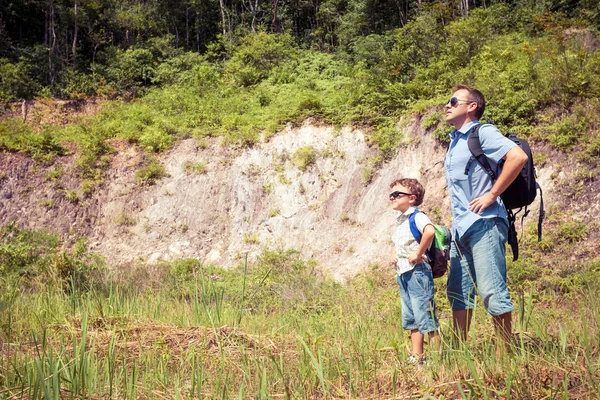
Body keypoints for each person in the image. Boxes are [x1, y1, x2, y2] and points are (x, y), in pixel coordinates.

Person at [443, 85, 528, 343]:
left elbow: (518, 156)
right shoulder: (455, 140)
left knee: (491, 290)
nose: (447, 105)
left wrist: (492, 195)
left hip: (485, 223)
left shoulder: (483, 132)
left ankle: (505, 355)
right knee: (458, 291)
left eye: (453, 100)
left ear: (472, 107)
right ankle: (459, 353)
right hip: (461, 229)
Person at [389, 178, 440, 364]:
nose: (392, 197)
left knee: (425, 314)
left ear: (412, 198)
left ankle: (436, 358)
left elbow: (429, 231)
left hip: (418, 271)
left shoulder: (416, 216)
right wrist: (393, 254)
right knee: (411, 317)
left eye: (396, 194)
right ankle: (417, 356)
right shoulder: (400, 221)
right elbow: (397, 242)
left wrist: (418, 253)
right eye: (391, 195)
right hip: (403, 272)